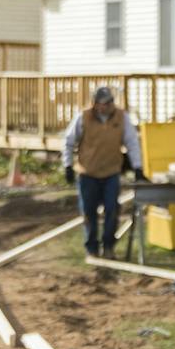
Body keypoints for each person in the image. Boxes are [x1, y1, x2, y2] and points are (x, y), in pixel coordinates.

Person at [62, 85, 145, 257]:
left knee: (112, 210)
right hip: (88, 174)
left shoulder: (122, 118)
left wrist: (137, 167)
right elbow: (69, 141)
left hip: (111, 173)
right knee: (88, 212)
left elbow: (132, 143)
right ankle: (91, 248)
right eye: (101, 104)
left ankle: (108, 246)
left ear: (112, 103)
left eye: (108, 103)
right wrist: (68, 165)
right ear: (95, 104)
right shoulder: (83, 117)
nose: (104, 107)